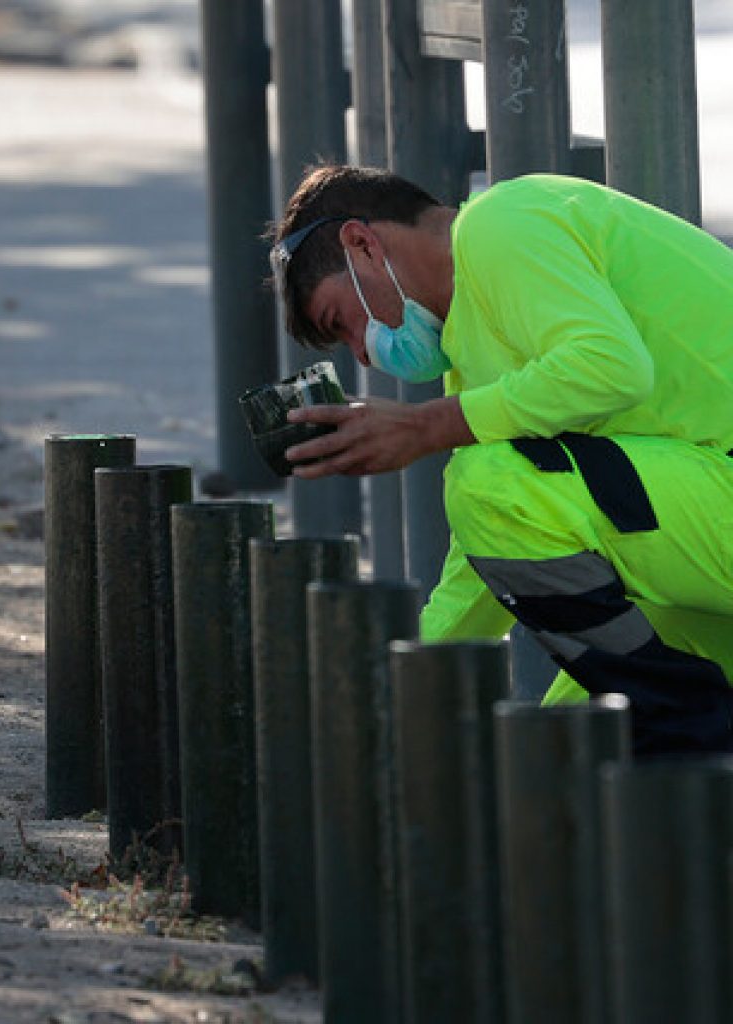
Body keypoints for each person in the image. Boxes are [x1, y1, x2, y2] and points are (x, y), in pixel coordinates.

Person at [268, 164, 733, 756]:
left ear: (362, 243)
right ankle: (687, 744)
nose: (363, 352)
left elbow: (612, 367)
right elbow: (490, 546)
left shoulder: (502, 222)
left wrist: (426, 425)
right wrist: (382, 684)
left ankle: (697, 736)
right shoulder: (475, 351)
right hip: (712, 513)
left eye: (343, 323)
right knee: (570, 747)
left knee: (490, 482)